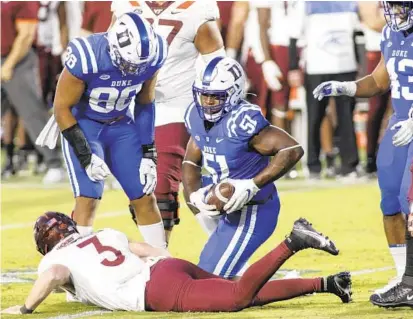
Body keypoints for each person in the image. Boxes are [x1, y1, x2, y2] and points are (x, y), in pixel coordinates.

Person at [0, 212, 352, 315]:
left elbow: (57, 274)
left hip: (155, 290)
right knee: (243, 291)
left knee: (236, 299)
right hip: (166, 269)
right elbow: (152, 250)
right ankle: (327, 283)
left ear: (45, 245)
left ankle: (293, 241)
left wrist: (27, 308)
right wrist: (177, 271)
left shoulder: (57, 259)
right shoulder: (104, 234)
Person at [38, 12, 168, 248]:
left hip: (121, 125)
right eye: (128, 63)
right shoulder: (88, 55)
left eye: (138, 66)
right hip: (84, 125)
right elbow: (61, 108)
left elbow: (145, 101)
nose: (132, 70)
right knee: (88, 198)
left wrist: (149, 153)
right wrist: (86, 157)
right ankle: (77, 265)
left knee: (144, 196)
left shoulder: (155, 52)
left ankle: (161, 261)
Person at [313, 0, 413, 300]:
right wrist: (346, 87)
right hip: (400, 125)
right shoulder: (391, 34)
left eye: (401, 7)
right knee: (391, 200)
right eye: (391, 6)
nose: (395, 13)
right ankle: (403, 279)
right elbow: (379, 80)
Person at [110, 0, 225, 243]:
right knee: (140, 190)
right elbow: (109, 53)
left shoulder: (196, 8)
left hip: (176, 104)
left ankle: (159, 260)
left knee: (162, 184)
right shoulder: (125, 5)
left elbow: (217, 67)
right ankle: (164, 257)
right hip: (132, 107)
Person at [182, 57, 304, 278]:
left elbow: (292, 149)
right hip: (224, 197)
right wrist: (194, 198)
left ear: (234, 93)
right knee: (215, 278)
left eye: (216, 96)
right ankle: (232, 255)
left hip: (253, 209)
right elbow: (190, 161)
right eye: (204, 94)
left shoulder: (242, 120)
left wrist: (252, 185)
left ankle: (300, 283)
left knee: (210, 282)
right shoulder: (195, 115)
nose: (208, 102)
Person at [289, 1, 360, 179]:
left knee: (346, 118)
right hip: (316, 68)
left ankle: (349, 166)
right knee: (314, 117)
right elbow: (293, 34)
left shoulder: (350, 2)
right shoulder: (305, 3)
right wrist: (292, 66)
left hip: (346, 67)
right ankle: (313, 165)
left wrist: (358, 64)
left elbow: (357, 34)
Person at [1, 1, 64, 183]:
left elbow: (26, 35)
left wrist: (9, 65)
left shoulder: (24, 1)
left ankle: (54, 164)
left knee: (32, 114)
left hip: (17, 62)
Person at [358, 1, 390, 176]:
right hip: (377, 51)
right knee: (376, 107)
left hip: (405, 49)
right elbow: (373, 22)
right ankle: (370, 156)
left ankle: (394, 156)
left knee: (401, 107)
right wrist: (401, 19)